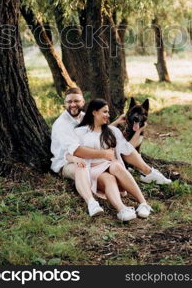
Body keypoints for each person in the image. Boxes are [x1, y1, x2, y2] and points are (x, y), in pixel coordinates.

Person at [50, 87, 171, 217]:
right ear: (64, 103)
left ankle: (146, 183)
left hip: (96, 160)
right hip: (68, 162)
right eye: (69, 101)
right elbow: (76, 151)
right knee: (100, 172)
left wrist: (118, 125)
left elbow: (98, 132)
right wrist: (104, 154)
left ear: (83, 102)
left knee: (120, 156)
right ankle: (109, 206)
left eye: (76, 101)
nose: (73, 104)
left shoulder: (85, 117)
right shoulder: (62, 125)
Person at [75, 98, 152, 221]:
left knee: (116, 166)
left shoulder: (112, 131)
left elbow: (128, 148)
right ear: (94, 112)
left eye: (108, 112)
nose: (108, 115)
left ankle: (143, 203)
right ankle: (122, 209)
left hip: (110, 164)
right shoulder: (80, 132)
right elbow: (75, 150)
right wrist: (103, 154)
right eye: (105, 112)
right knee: (108, 178)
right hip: (93, 168)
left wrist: (139, 131)